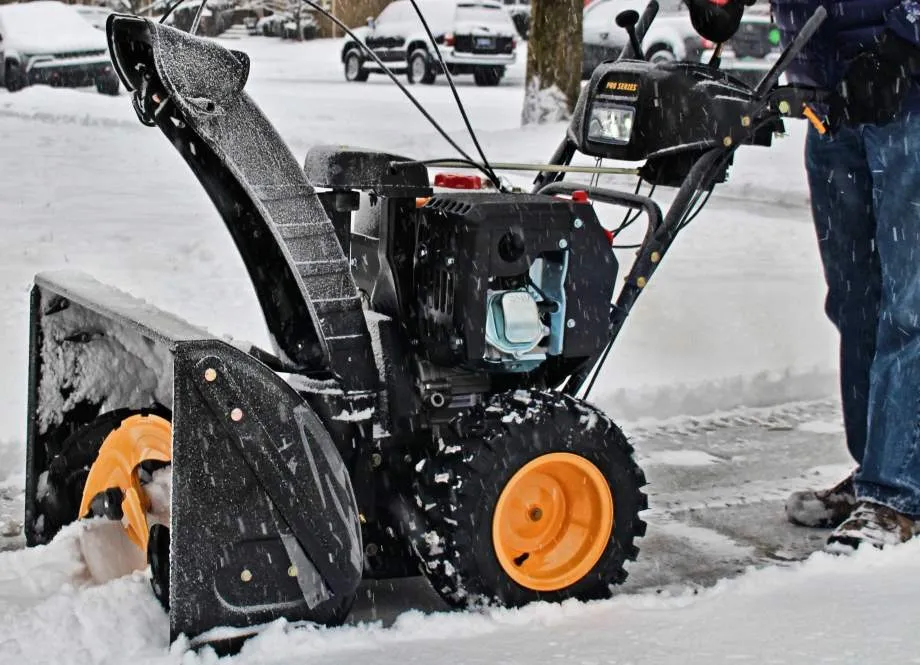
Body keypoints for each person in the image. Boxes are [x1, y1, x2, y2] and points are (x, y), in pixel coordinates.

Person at [769, 0, 920, 551]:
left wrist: (904, 42)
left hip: (907, 91)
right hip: (831, 95)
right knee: (856, 301)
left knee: (910, 309)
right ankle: (877, 471)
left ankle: (898, 492)